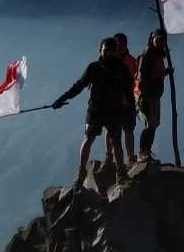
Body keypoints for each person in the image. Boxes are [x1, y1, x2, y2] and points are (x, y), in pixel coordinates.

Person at [52, 37, 130, 187]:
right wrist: (62, 98)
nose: (107, 53)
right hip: (97, 110)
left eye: (110, 50)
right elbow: (80, 85)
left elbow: (128, 90)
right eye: (105, 49)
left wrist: (130, 106)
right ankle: (81, 174)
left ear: (115, 51)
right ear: (100, 50)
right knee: (89, 139)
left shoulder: (121, 68)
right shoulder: (95, 68)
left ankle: (121, 173)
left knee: (115, 142)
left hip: (113, 111)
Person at [135, 28, 172, 161]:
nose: (161, 42)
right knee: (150, 124)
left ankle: (146, 151)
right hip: (146, 95)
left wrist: (166, 72)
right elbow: (141, 77)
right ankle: (142, 152)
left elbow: (154, 74)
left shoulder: (158, 54)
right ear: (152, 39)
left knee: (155, 123)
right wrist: (144, 97)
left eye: (163, 40)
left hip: (154, 95)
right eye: (158, 40)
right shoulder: (147, 55)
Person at [104, 32, 138, 165]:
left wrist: (135, 98)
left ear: (125, 45)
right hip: (112, 102)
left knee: (128, 130)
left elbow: (137, 82)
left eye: (121, 44)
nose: (119, 47)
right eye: (117, 45)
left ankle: (130, 157)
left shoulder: (132, 61)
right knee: (110, 130)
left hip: (127, 102)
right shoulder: (108, 62)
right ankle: (109, 156)